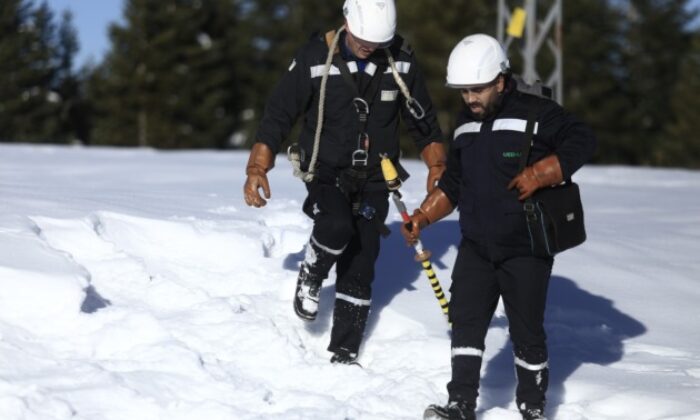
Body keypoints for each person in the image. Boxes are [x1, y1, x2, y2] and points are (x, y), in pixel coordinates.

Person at [402, 34, 596, 420]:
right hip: (476, 245)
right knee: (466, 325)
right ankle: (460, 404)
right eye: (463, 91)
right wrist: (424, 215)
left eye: (477, 89)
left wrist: (542, 172)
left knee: (526, 333)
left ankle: (532, 406)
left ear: (500, 81)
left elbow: (583, 139)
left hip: (525, 247)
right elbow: (454, 184)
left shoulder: (538, 113)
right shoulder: (463, 125)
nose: (470, 98)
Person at [243, 0, 445, 365]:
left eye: (377, 42)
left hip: (375, 175)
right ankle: (312, 273)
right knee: (336, 225)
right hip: (325, 169)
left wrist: (437, 163)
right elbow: (279, 113)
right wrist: (258, 166)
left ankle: (345, 351)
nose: (370, 47)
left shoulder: (401, 60)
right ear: (347, 23)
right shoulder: (315, 55)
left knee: (362, 258)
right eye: (363, 40)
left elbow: (423, 121)